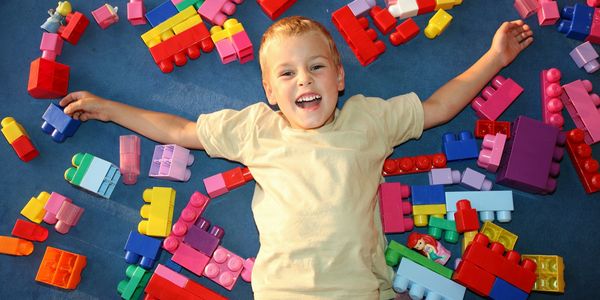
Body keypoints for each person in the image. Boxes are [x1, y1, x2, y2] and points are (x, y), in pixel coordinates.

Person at [59, 16, 533, 300]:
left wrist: (495, 57)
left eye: (316, 67)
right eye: (287, 73)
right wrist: (108, 109)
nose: (304, 81)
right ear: (269, 91)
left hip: (361, 290)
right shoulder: (255, 129)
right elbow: (181, 131)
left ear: (339, 78)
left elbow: (439, 107)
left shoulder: (369, 119)